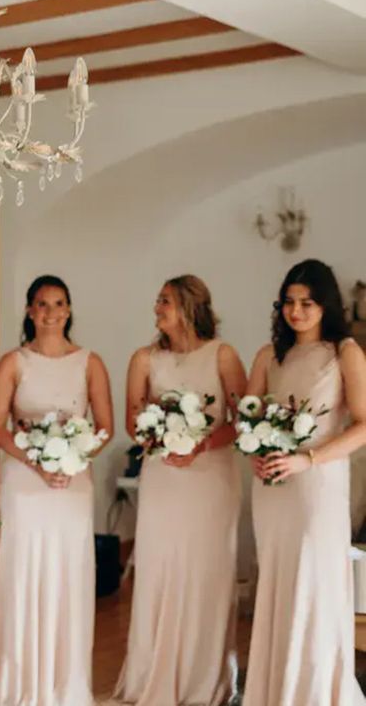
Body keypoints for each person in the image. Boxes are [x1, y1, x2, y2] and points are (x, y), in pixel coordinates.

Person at [111, 275, 246, 706]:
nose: (157, 308)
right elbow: (133, 421)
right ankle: (154, 675)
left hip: (212, 480)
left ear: (189, 306)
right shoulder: (144, 359)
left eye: (164, 301)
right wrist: (163, 439)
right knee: (160, 568)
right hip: (163, 477)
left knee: (208, 572)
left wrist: (200, 444)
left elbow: (243, 420)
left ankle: (206, 680)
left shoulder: (222, 355)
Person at [243, 259, 366, 705]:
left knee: (313, 580)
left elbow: (364, 425)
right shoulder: (268, 356)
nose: (296, 312)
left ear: (325, 305)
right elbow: (247, 419)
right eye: (289, 303)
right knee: (278, 580)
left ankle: (313, 692)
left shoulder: (344, 352)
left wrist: (306, 459)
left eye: (306, 303)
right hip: (272, 487)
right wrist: (255, 455)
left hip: (317, 485)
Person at [0, 275, 114, 706]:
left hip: (72, 484)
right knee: (24, 571)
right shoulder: (13, 362)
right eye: (42, 304)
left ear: (69, 309)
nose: (51, 312)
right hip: (24, 483)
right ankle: (21, 684)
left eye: (59, 304)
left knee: (68, 573)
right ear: (29, 310)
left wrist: (71, 460)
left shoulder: (90, 363)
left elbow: (105, 427)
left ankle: (66, 684)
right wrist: (36, 461)